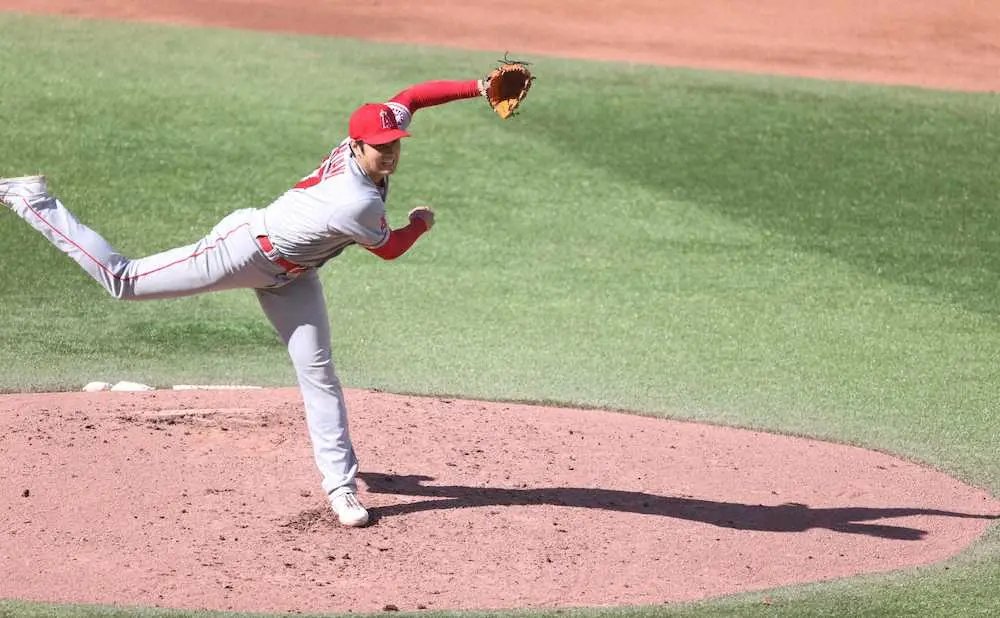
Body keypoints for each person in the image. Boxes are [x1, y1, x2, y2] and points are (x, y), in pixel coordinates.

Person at [1, 75, 494, 527]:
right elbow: (389, 249)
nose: (390, 155)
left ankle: (342, 489)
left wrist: (477, 86)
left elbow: (411, 98)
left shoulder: (367, 144)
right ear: (356, 145)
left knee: (318, 373)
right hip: (242, 251)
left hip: (293, 276)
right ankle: (33, 200)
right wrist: (420, 224)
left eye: (395, 146)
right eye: (381, 148)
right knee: (124, 280)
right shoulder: (355, 201)